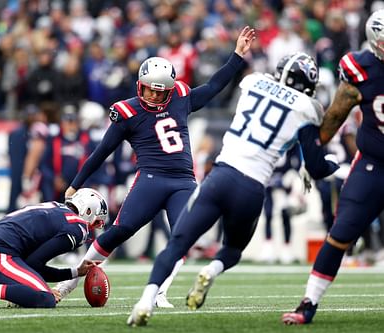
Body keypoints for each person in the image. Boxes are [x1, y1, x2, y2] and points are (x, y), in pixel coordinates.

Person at [127, 51, 340, 326]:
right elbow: (317, 165)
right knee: (232, 249)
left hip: (220, 177)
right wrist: (332, 163)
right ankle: (211, 271)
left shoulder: (253, 82)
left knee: (178, 243)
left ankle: (145, 301)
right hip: (252, 188)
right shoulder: (306, 108)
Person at [54, 26, 256, 308]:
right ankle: (68, 283)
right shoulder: (128, 111)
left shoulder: (181, 98)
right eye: (149, 89)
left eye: (160, 92)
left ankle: (159, 292)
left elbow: (212, 87)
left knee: (183, 238)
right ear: (140, 84)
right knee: (120, 230)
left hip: (184, 181)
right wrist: (76, 183)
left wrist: (237, 55)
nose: (154, 96)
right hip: (151, 178)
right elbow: (102, 152)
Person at [282, 10, 384, 325]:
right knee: (341, 233)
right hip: (373, 164)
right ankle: (308, 303)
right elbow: (334, 119)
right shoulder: (361, 70)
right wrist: (311, 150)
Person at [0, 188, 108, 309]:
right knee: (45, 298)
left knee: (37, 294)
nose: (93, 228)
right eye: (95, 222)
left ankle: (19, 295)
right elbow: (34, 263)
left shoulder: (55, 206)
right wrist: (47, 287)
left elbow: (30, 262)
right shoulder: (77, 227)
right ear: (87, 212)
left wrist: (75, 272)